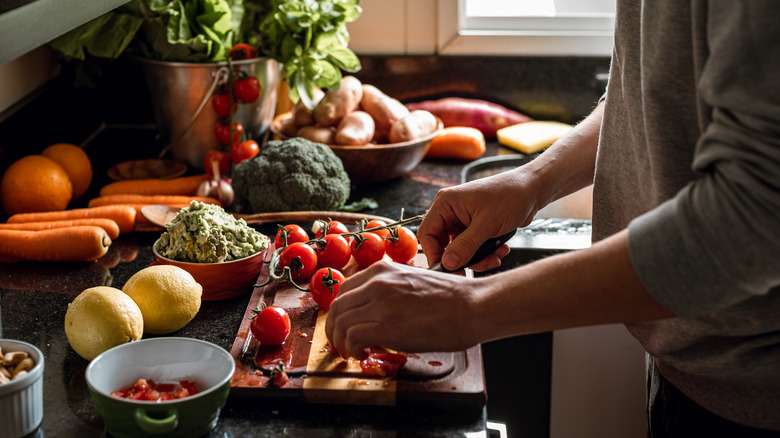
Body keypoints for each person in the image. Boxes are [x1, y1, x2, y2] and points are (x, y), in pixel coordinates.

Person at [326, 1, 780, 436]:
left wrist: (472, 307)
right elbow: (648, 94)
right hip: (691, 364)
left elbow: (752, 218)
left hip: (755, 401)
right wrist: (532, 181)